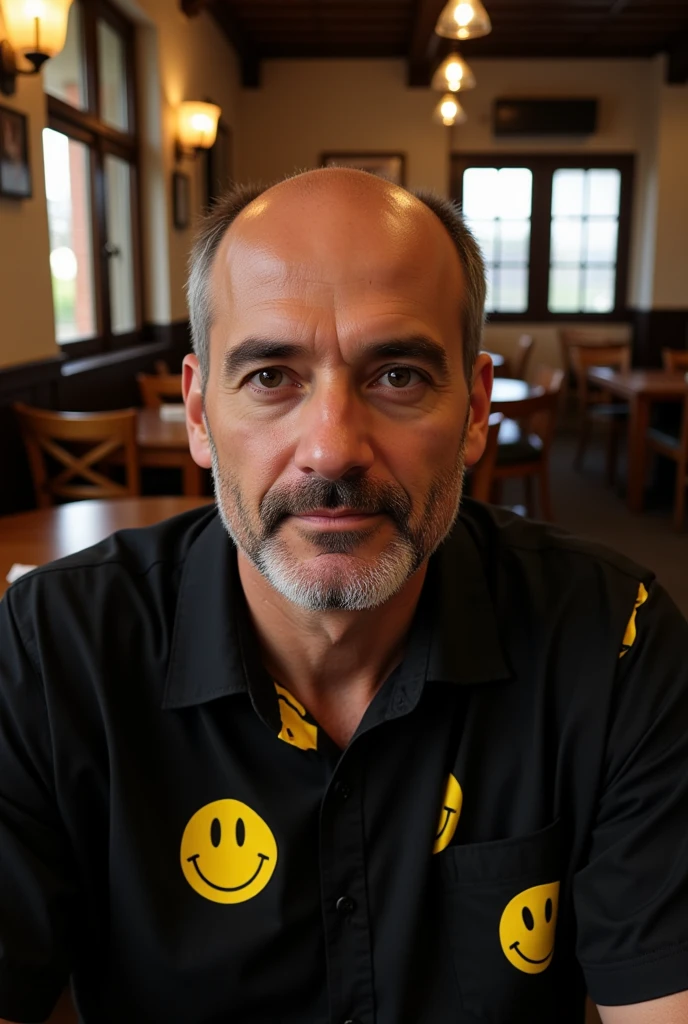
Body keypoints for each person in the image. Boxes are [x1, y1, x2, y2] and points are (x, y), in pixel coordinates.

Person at [1, 169, 687, 1024]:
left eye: (397, 375)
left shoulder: (614, 641)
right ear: (200, 414)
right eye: (269, 377)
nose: (331, 450)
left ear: (476, 409)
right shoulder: (48, 653)